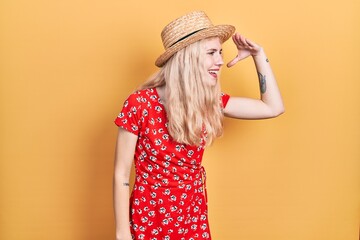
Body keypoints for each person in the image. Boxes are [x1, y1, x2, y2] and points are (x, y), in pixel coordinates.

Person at [113, 11, 284, 240]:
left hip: (192, 214)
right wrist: (123, 234)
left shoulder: (209, 102)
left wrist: (258, 55)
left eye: (220, 52)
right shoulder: (140, 104)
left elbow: (272, 108)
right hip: (150, 216)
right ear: (187, 58)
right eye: (211, 53)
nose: (220, 60)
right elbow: (121, 173)